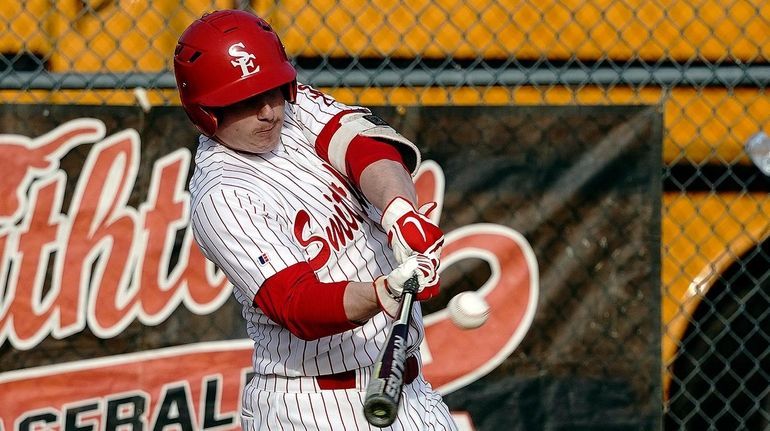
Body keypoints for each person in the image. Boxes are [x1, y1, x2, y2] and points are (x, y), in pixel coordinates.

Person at [173, 9, 458, 430]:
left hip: (408, 390)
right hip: (310, 407)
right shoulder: (221, 194)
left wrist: (399, 211)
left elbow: (364, 147)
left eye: (273, 89)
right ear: (205, 112)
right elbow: (296, 305)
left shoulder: (293, 106)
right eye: (246, 100)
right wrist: (380, 293)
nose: (268, 110)